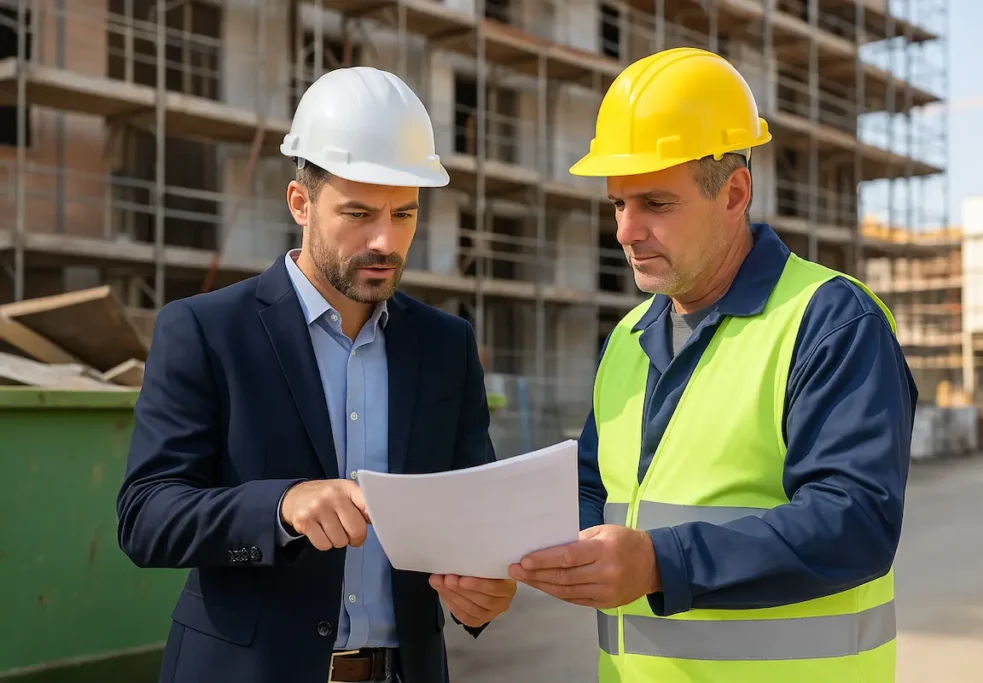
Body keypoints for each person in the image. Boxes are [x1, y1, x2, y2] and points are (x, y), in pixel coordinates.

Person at [509, 48, 916, 683]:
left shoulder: (830, 321)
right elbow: (595, 493)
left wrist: (659, 563)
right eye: (618, 204)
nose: (626, 230)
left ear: (734, 192)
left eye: (655, 204)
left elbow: (854, 522)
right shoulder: (628, 336)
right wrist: (498, 552)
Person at [116, 66, 516, 683]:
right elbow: (147, 517)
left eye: (404, 214)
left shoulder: (446, 345)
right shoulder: (205, 330)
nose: (385, 240)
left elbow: (471, 516)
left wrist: (486, 587)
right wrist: (282, 505)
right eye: (358, 213)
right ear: (300, 202)